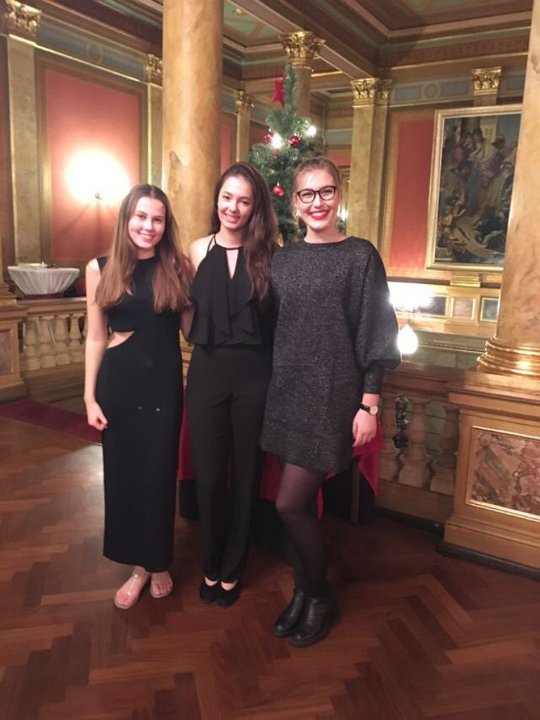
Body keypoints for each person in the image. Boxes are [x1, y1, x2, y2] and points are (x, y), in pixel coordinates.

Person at [261, 157, 400, 647]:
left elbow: (377, 330)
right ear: (295, 203)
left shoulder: (360, 256)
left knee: (289, 504)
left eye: (326, 192)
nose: (317, 202)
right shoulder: (282, 260)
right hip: (286, 393)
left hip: (332, 397)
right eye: (307, 194)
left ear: (339, 196)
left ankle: (320, 595)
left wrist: (369, 404)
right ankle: (303, 590)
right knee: (297, 506)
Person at [84, 183, 192, 610]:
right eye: (141, 217)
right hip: (119, 385)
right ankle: (138, 567)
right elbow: (96, 337)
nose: (149, 226)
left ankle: (159, 561)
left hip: (163, 385)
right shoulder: (100, 268)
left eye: (158, 219)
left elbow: (190, 330)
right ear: (127, 219)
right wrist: (89, 398)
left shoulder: (178, 266)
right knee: (125, 476)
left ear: (166, 225)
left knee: (159, 474)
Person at [185, 161, 278, 608]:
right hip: (206, 372)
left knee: (246, 475)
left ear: (255, 206)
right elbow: (184, 310)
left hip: (254, 376)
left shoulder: (270, 254)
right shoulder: (197, 249)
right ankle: (210, 561)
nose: (233, 208)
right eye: (227, 197)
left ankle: (233, 567)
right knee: (207, 477)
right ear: (217, 199)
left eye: (243, 200)